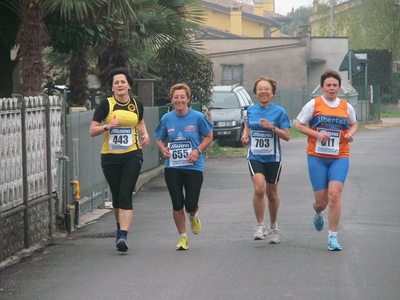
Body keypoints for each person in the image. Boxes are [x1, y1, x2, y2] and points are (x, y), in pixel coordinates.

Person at [295, 69, 358, 251]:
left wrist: (350, 135)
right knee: (321, 202)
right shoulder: (314, 105)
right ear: (322, 87)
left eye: (335, 85)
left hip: (340, 156)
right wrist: (317, 134)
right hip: (317, 158)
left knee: (335, 196)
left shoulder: (346, 106)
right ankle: (317, 212)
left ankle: (333, 237)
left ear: (339, 88)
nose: (332, 88)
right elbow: (298, 124)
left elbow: (354, 124)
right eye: (328, 85)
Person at [89, 67, 150, 252]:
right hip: (110, 157)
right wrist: (108, 126)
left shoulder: (136, 104)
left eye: (123, 82)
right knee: (116, 197)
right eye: (116, 82)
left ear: (129, 85)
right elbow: (92, 130)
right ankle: (119, 229)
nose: (120, 85)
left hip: (132, 154)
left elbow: (139, 120)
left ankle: (123, 236)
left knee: (125, 194)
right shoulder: (106, 105)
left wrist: (145, 134)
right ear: (112, 87)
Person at [154, 83, 213, 250]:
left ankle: (193, 216)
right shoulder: (167, 119)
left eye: (182, 97)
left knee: (190, 204)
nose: (179, 100)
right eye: (176, 97)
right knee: (177, 202)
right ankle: (182, 237)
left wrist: (198, 150)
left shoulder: (198, 117)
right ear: (172, 100)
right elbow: (159, 138)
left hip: (193, 166)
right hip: (173, 166)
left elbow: (209, 136)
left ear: (188, 99)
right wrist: (163, 149)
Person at [241, 76, 291, 244]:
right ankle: (259, 226)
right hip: (255, 155)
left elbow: (287, 136)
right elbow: (247, 125)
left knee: (271, 193)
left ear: (272, 93)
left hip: (273, 158)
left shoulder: (279, 111)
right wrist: (245, 135)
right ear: (255, 93)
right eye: (260, 89)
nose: (263, 92)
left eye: (266, 89)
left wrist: (272, 128)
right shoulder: (251, 110)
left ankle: (273, 226)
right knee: (259, 188)